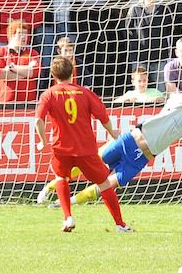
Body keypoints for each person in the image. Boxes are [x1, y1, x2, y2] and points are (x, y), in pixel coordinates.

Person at [38, 69, 182, 208]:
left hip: (140, 159)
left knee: (107, 186)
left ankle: (63, 203)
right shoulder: (177, 101)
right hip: (128, 141)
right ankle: (49, 188)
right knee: (87, 165)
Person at [33, 56, 130, 233]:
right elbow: (103, 116)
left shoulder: (48, 94)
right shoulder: (85, 93)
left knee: (61, 178)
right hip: (85, 149)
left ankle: (68, 217)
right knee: (104, 183)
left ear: (53, 74)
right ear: (72, 72)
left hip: (61, 148)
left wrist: (42, 141)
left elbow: (38, 120)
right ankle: (120, 225)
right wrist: (113, 133)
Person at [127, 0, 174, 93]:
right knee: (139, 94)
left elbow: (169, 32)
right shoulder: (134, 9)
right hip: (139, 58)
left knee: (162, 93)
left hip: (160, 58)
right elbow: (129, 32)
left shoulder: (165, 10)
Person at [0, 20, 40, 102]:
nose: (24, 36)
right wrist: (26, 72)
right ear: (11, 36)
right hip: (4, 103)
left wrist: (12, 68)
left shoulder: (33, 53)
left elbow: (35, 72)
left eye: (26, 33)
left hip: (29, 104)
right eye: (20, 33)